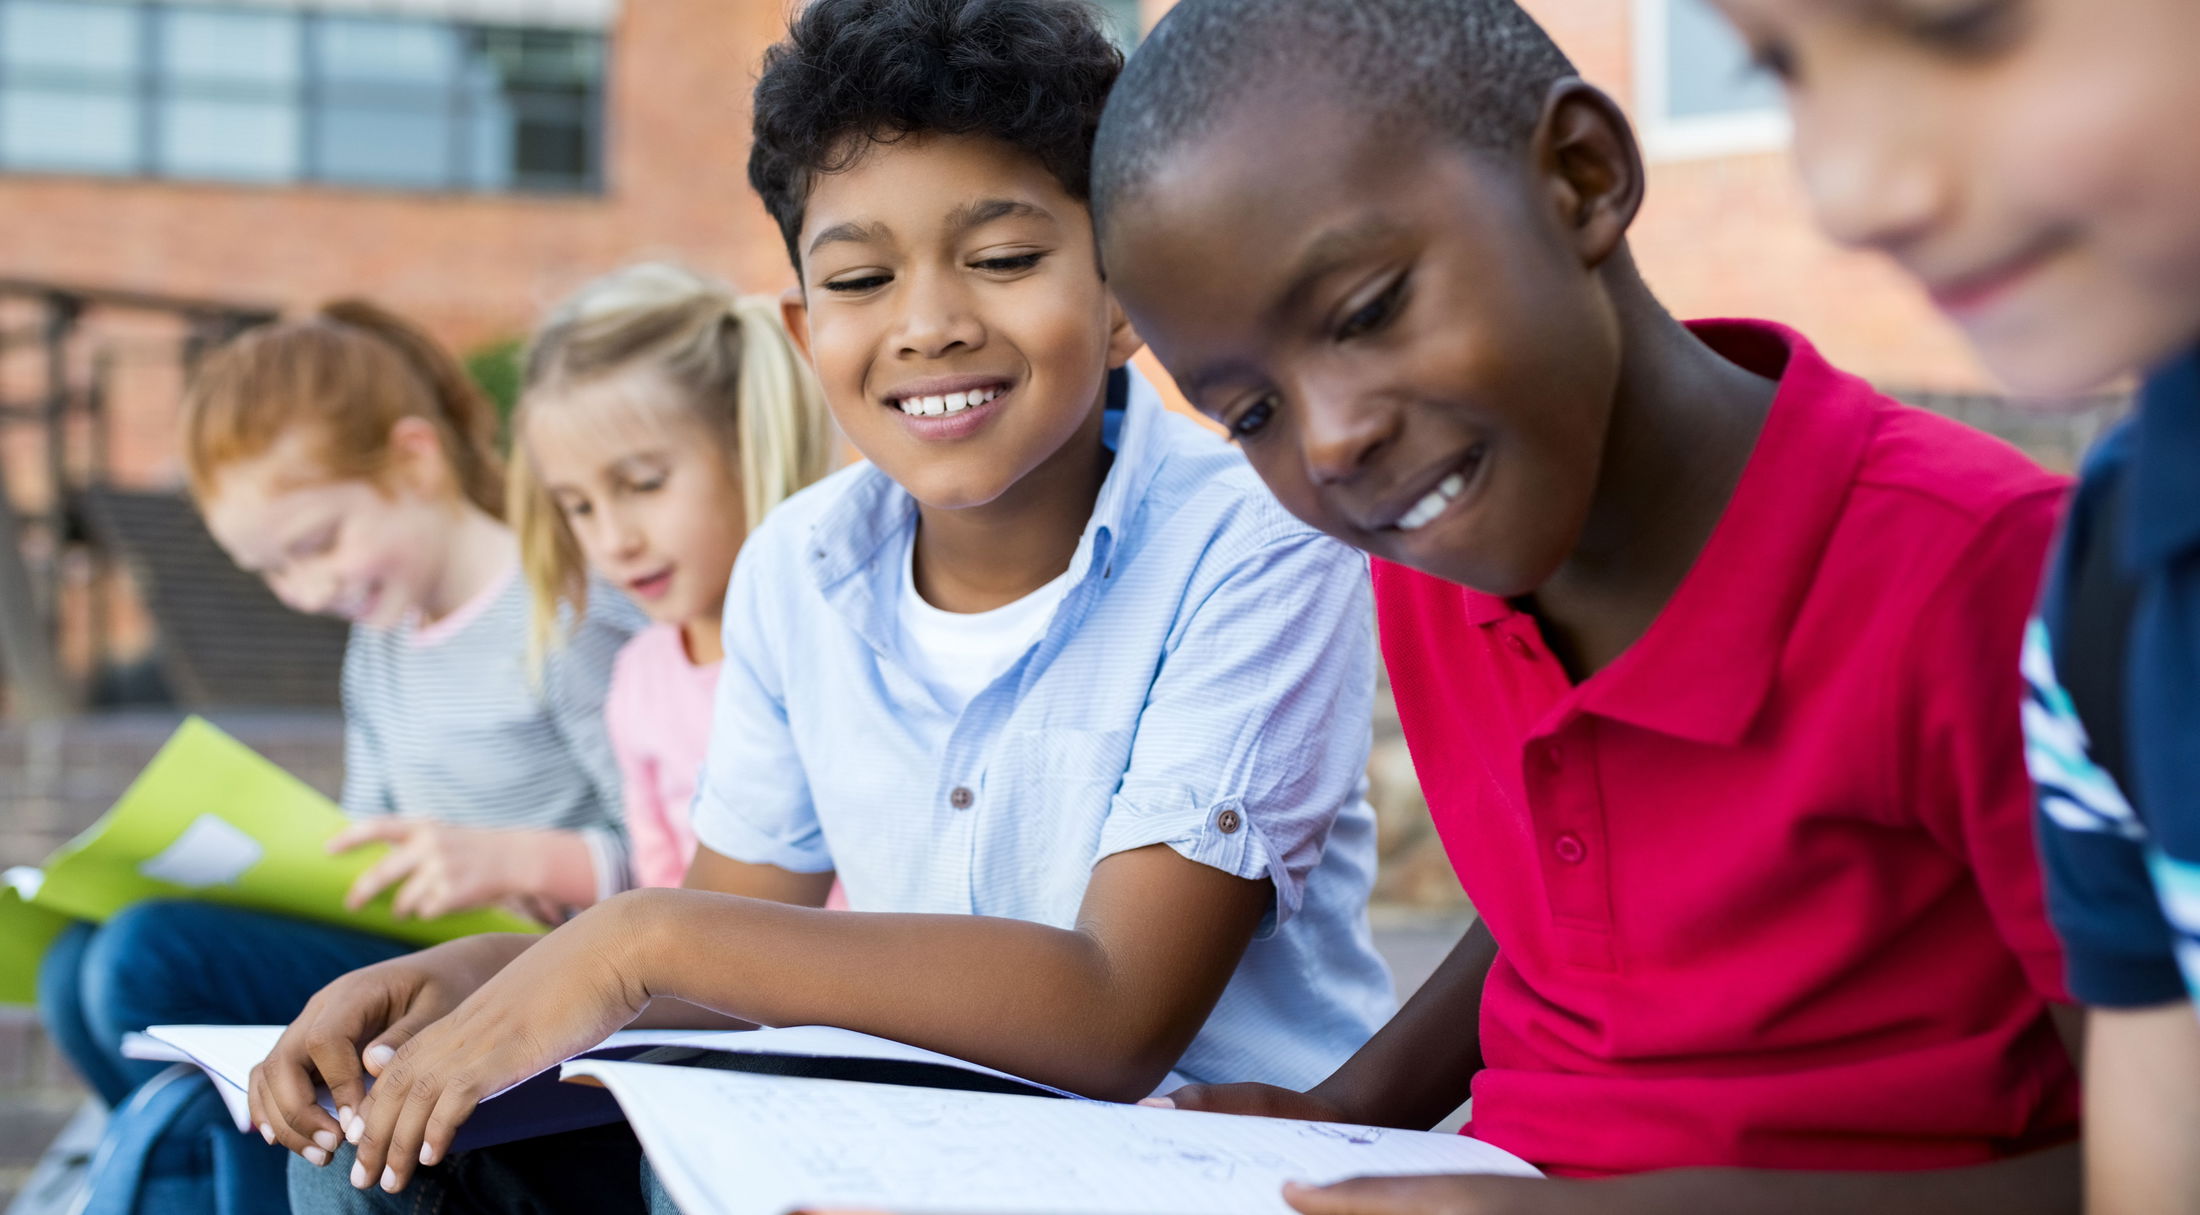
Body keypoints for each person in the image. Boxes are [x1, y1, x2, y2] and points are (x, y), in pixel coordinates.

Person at [270, 1, 1393, 1208]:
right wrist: (493, 974)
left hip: (1185, 1155)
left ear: (1127, 294)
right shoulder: (797, 566)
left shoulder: (1258, 540)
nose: (928, 325)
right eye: (861, 278)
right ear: (809, 329)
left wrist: (635, 939)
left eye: (1005, 259)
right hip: (889, 1137)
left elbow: (1117, 1013)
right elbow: (729, 942)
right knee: (382, 1149)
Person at [1087, 0, 2080, 1211]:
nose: (1335, 439)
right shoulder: (1436, 551)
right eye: (1251, 415)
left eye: (1365, 312)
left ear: (1580, 177)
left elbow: (2152, 1161)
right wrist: (1350, 1114)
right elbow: (1564, 905)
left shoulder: (1992, 580)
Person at [1692, 3, 2200, 1212]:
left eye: (1957, 23)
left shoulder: (1993, 548)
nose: (1848, 192)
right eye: (1779, 66)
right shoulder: (2114, 579)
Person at [35, 300, 638, 1212]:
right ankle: (190, 1171)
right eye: (275, 570)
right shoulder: (383, 643)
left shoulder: (560, 611)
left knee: (142, 958)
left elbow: (680, 852)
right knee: (70, 963)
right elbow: (363, 833)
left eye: (318, 544)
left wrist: (513, 858)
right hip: (402, 947)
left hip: (521, 965)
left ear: (415, 457)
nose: (309, 589)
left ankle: (208, 1181)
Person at [509, 262, 837, 889]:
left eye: (643, 484)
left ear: (749, 444)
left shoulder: (838, 648)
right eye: (578, 506)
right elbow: (661, 889)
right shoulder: (638, 678)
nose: (613, 541)